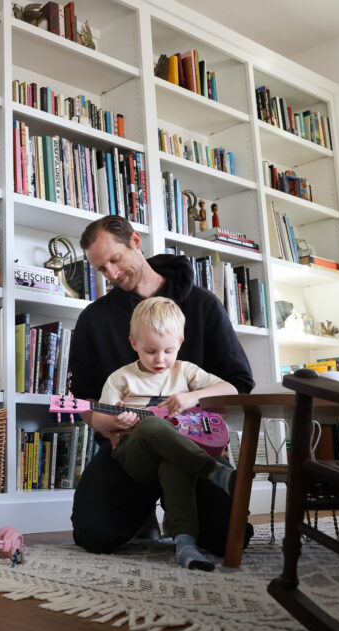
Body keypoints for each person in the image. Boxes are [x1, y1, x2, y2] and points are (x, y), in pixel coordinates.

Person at [69, 215, 254, 556]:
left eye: (115, 260)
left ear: (135, 242)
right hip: (127, 450)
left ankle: (185, 508)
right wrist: (107, 423)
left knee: (230, 536)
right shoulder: (93, 319)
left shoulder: (203, 304)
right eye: (101, 269)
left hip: (194, 445)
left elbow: (239, 384)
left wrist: (195, 408)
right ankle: (142, 515)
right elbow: (83, 399)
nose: (112, 274)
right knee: (93, 534)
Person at [86, 296, 238, 570]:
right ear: (134, 343)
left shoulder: (185, 371)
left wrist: (192, 397)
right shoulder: (121, 378)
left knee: (174, 461)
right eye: (150, 351)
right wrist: (117, 421)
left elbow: (231, 391)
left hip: (176, 452)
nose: (160, 359)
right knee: (152, 425)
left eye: (168, 350)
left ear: (180, 342)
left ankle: (185, 544)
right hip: (134, 455)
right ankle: (214, 471)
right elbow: (98, 420)